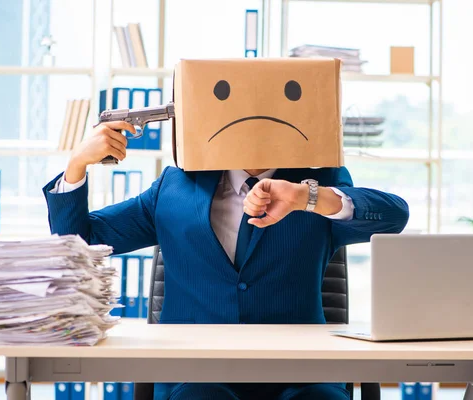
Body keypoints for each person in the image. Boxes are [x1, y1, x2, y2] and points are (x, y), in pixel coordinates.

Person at [42, 121, 410, 400]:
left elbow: (395, 216)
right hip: (195, 373)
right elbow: (77, 242)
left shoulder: (316, 183)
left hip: (301, 375)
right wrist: (77, 164)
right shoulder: (174, 187)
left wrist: (306, 197)